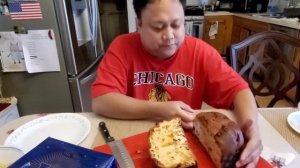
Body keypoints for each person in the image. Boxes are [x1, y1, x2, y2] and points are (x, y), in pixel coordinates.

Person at [91, 0, 262, 167]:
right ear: (139, 24)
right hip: (133, 137)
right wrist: (160, 110)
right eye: (158, 27)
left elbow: (239, 90)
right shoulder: (122, 47)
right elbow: (101, 101)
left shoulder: (199, 52)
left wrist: (252, 130)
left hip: (184, 143)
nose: (169, 36)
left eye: (176, 25)